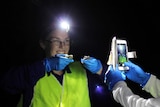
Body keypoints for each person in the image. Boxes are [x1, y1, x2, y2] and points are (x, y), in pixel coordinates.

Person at [0, 13, 115, 107]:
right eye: (56, 40)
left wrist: (100, 69)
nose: (62, 46)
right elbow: (6, 84)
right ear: (43, 44)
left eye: (66, 41)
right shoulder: (32, 71)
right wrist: (45, 66)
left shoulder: (82, 70)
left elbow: (116, 84)